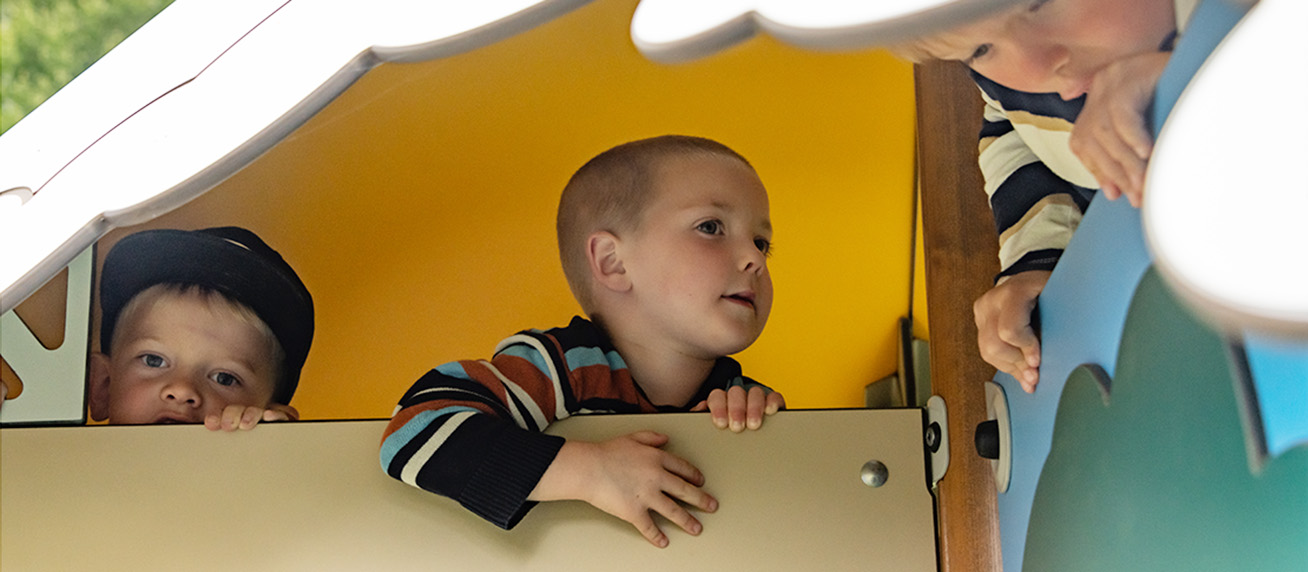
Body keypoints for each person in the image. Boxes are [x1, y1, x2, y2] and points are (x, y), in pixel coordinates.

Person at [379, 135, 785, 548]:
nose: (753, 258)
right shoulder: (562, 367)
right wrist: (590, 471)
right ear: (613, 262)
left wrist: (757, 427)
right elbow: (413, 429)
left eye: (761, 242)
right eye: (711, 227)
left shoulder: (737, 397)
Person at [896, 0, 1198, 392]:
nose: (1039, 67)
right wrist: (1035, 259)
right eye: (980, 50)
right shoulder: (1009, 84)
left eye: (1038, 4)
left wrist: (1186, 74)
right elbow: (1010, 129)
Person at [88, 226, 314, 430]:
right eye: (153, 360)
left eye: (224, 378)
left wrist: (269, 454)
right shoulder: (61, 468)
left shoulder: (263, 471)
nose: (183, 390)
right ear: (103, 386)